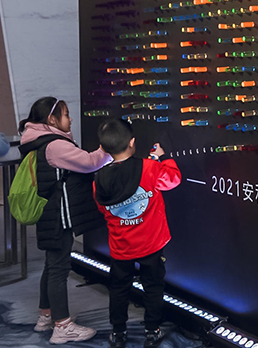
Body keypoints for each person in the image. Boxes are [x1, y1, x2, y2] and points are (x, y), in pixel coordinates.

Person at [18, 97, 111, 344]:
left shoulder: (38, 140)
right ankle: (62, 326)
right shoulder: (54, 145)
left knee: (51, 265)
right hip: (59, 216)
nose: (70, 119)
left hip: (49, 214)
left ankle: (46, 316)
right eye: (66, 114)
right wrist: (109, 148)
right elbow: (90, 163)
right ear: (51, 119)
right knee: (59, 269)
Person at [93, 118, 181, 348]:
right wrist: (164, 158)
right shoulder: (149, 167)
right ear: (132, 142)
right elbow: (173, 179)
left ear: (103, 147)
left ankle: (118, 333)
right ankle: (152, 331)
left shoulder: (99, 178)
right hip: (151, 244)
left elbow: (103, 208)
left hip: (121, 246)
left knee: (118, 289)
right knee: (153, 287)